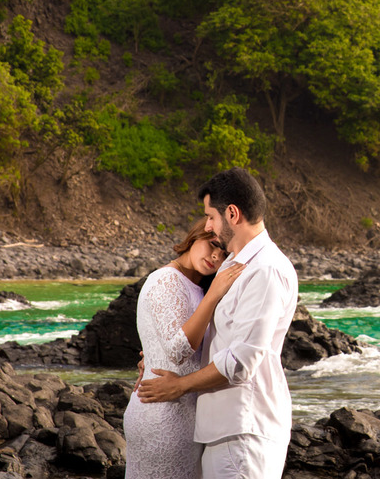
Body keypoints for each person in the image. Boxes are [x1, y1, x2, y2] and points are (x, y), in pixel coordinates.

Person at [137, 167, 299, 479]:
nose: (208, 226)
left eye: (211, 216)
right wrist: (155, 356)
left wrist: (179, 385)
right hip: (224, 428)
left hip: (243, 430)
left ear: (233, 214)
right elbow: (216, 337)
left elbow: (241, 361)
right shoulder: (237, 266)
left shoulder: (264, 270)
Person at [122, 219, 244, 479]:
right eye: (213, 245)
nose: (216, 256)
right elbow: (178, 350)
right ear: (195, 237)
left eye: (224, 254)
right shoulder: (166, 280)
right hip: (162, 413)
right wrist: (214, 295)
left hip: (184, 412)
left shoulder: (196, 286)